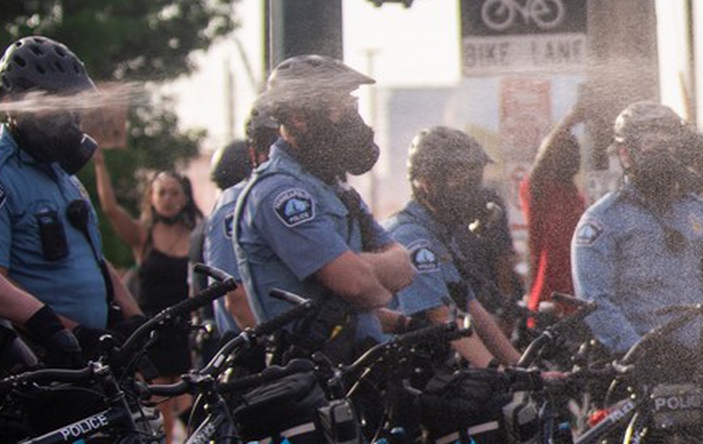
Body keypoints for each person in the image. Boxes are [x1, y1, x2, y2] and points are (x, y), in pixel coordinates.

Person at [571, 101, 703, 366]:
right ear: (625, 152)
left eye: (670, 143)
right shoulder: (603, 221)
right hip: (630, 368)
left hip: (696, 362)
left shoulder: (702, 215)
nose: (663, 152)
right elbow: (594, 300)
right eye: (652, 143)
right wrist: (636, 353)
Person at [231, 56, 414, 356]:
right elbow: (356, 284)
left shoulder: (333, 188)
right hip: (311, 380)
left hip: (357, 371)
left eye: (351, 105)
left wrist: (356, 269)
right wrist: (368, 281)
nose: (352, 119)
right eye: (337, 108)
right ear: (298, 117)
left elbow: (404, 268)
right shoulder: (279, 193)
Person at [0, 35, 142, 338]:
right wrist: (69, 332)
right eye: (52, 103)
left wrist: (137, 321)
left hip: (92, 361)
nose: (65, 117)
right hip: (41, 363)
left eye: (70, 103)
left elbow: (94, 260)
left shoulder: (63, 175)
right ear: (10, 103)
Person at [386, 127, 522, 368]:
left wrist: (522, 368)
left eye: (473, 179)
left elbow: (473, 308)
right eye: (458, 179)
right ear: (426, 183)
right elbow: (440, 318)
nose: (470, 190)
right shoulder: (412, 238)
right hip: (399, 375)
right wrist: (498, 373)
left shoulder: (441, 233)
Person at [95, 163, 201, 381]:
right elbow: (110, 209)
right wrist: (99, 163)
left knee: (187, 400)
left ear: (185, 198)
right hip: (151, 329)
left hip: (184, 329)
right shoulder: (143, 234)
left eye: (174, 193)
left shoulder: (197, 235)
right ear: (151, 197)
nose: (168, 199)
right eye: (162, 193)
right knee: (159, 400)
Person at [201, 102, 281, 336]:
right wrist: (275, 350)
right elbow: (236, 298)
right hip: (257, 353)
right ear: (255, 153)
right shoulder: (235, 205)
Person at [520, 120, 586, 316]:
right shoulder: (540, 192)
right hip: (548, 295)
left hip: (577, 292)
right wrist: (570, 119)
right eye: (566, 152)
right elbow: (540, 165)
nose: (575, 157)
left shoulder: (576, 196)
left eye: (576, 151)